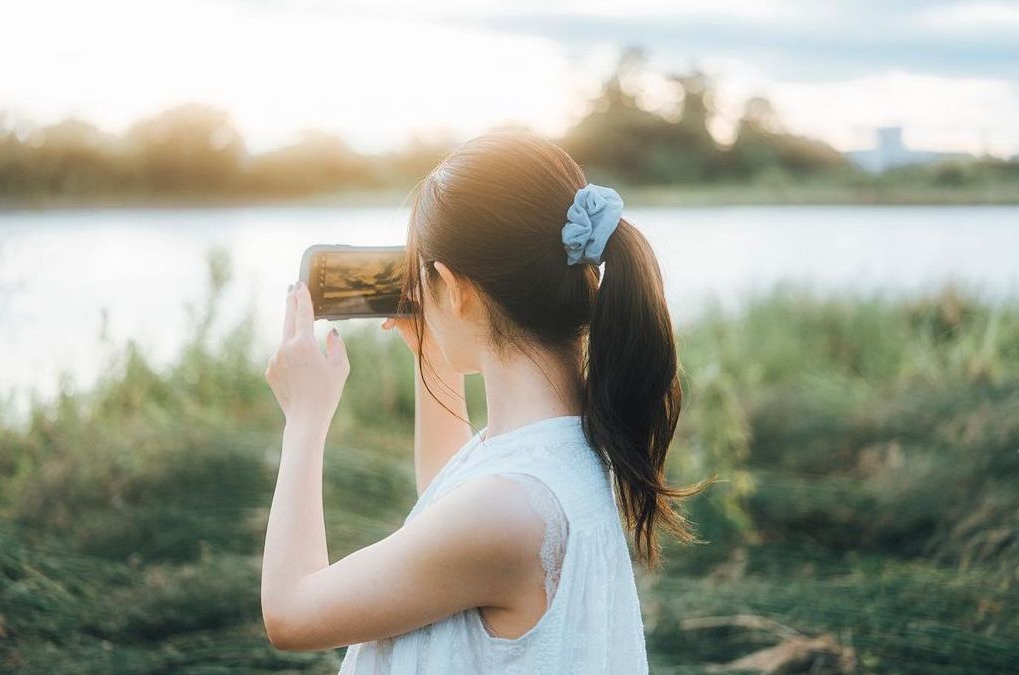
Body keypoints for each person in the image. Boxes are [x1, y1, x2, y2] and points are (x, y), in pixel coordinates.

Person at [260, 131, 710, 673]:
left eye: (425, 274)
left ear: (454, 289)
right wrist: (434, 360)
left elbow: (290, 613)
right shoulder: (571, 443)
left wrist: (305, 420)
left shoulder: (508, 510)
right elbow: (448, 500)